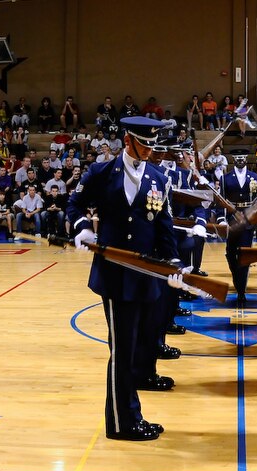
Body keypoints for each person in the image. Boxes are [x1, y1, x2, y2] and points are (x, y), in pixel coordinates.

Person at [66, 117, 179, 441]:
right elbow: (74, 204)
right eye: (144, 144)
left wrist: (174, 265)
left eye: (152, 145)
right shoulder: (102, 173)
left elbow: (164, 224)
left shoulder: (157, 177)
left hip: (147, 274)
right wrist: (83, 227)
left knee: (143, 346)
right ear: (128, 140)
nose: (149, 151)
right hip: (115, 275)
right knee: (123, 349)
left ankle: (132, 414)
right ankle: (121, 421)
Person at [220, 154, 257, 306]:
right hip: (231, 220)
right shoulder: (226, 178)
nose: (241, 160)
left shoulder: (255, 177)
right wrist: (221, 219)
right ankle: (237, 278)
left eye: (243, 157)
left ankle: (241, 291)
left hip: (248, 221)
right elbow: (221, 200)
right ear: (233, 160)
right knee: (230, 254)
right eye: (238, 157)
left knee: (244, 255)